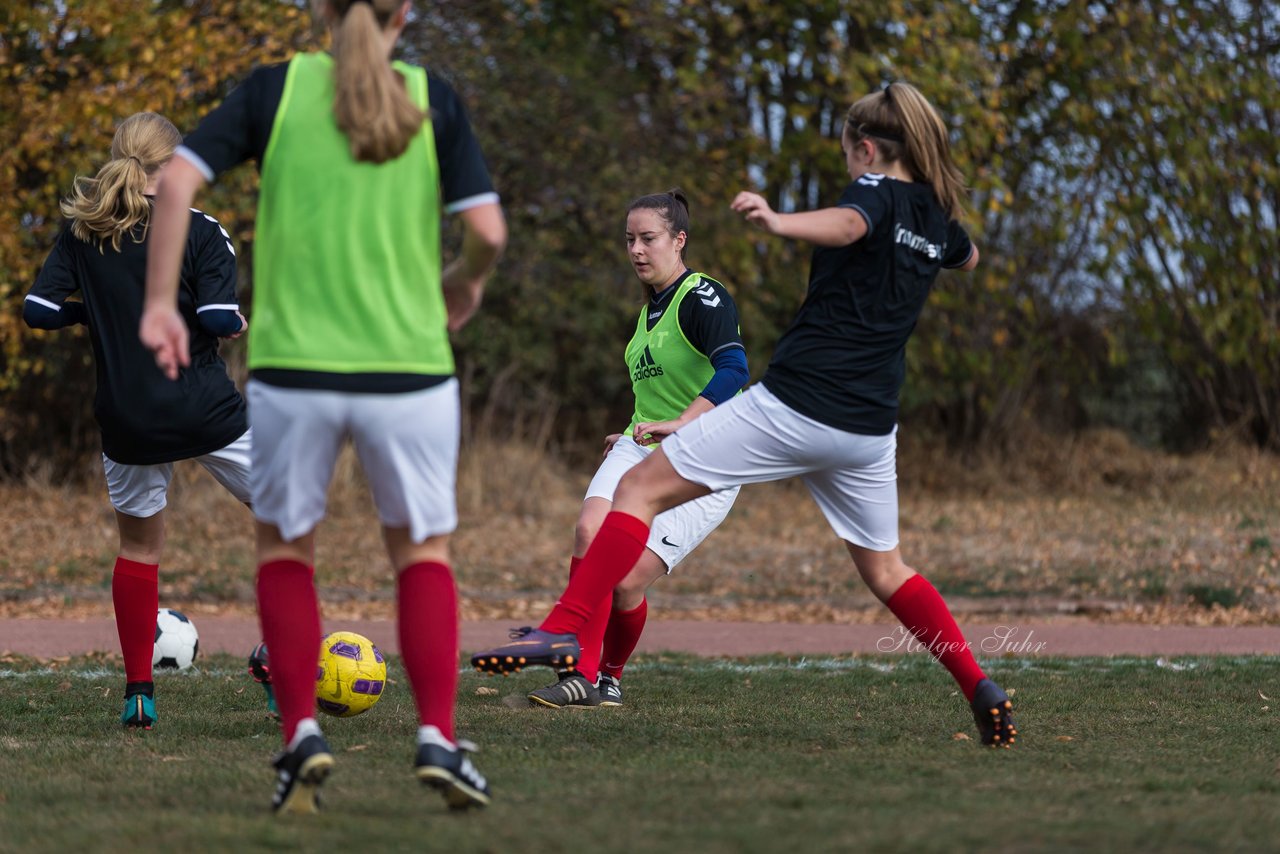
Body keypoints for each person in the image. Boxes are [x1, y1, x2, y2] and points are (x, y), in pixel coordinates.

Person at [470, 81, 1018, 747]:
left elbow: (852, 223)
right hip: (869, 427)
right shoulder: (935, 217)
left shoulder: (872, 194)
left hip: (798, 402)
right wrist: (930, 245)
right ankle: (978, 684)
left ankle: (563, 627)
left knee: (638, 489)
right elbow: (968, 255)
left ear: (867, 149)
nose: (850, 171)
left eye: (849, 157)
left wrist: (780, 220)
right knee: (886, 571)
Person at [139, 0, 507, 813]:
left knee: (286, 554)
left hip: (292, 368)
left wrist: (162, 301)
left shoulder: (276, 90)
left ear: (319, 10)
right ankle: (439, 741)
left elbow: (177, 181)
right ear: (405, 13)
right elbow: (486, 229)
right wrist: (464, 283)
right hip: (408, 366)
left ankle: (301, 733)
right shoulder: (432, 98)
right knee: (421, 557)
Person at [23, 111, 251, 732]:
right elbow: (216, 315)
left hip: (127, 418)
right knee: (292, 520)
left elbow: (38, 310)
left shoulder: (85, 232)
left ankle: (139, 694)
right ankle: (281, 666)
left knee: (139, 551)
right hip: (206, 412)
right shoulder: (201, 230)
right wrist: (236, 325)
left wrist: (94, 316)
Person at [524, 189, 749, 709]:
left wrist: (680, 425)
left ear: (679, 240)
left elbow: (735, 370)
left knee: (624, 583)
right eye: (630, 240)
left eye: (649, 238)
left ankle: (609, 677)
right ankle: (577, 674)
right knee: (587, 531)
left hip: (708, 458)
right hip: (643, 447)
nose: (637, 250)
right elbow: (652, 398)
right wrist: (632, 431)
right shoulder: (645, 320)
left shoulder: (702, 296)